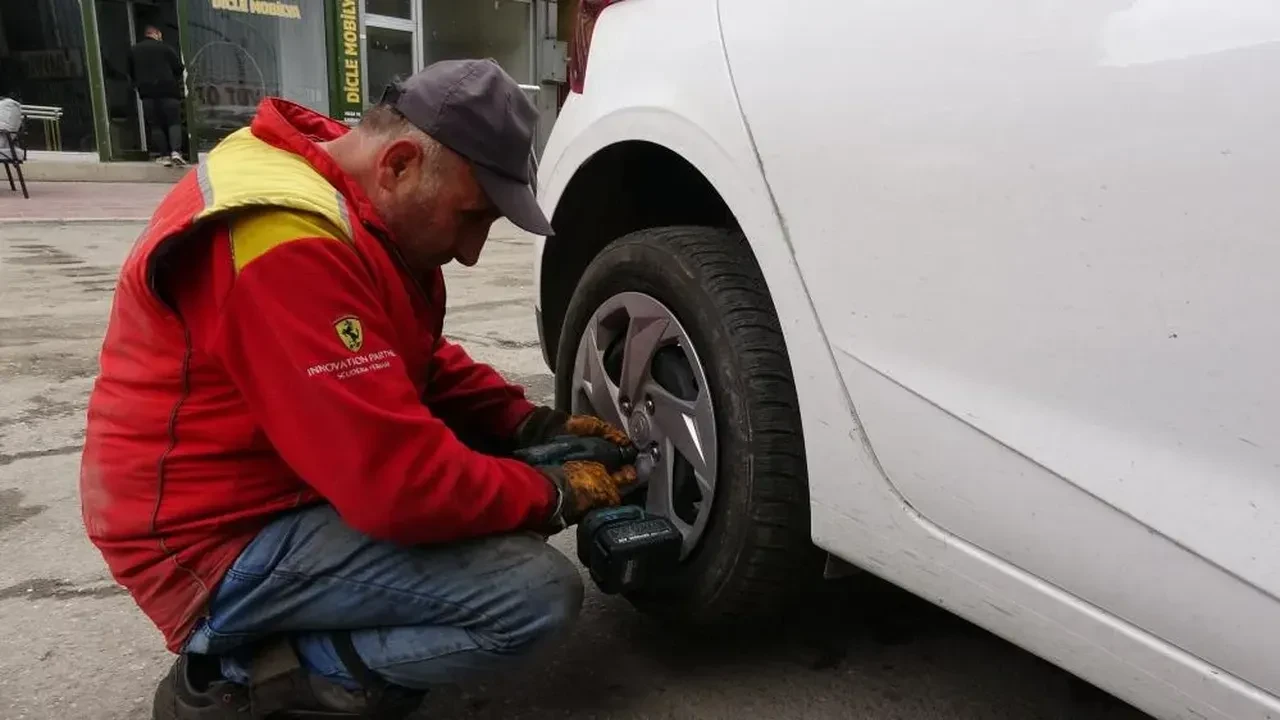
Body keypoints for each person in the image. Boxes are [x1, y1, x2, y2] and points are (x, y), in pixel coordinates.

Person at [80, 58, 638, 720]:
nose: (471, 253)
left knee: (490, 483)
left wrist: (527, 427)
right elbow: (397, 484)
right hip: (210, 540)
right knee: (529, 593)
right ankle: (247, 676)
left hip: (270, 479)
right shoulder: (283, 243)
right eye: (472, 216)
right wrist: (550, 493)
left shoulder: (335, 187)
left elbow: (407, 359)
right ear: (399, 164)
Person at [128, 24, 186, 167]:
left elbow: (130, 72)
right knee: (173, 122)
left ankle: (164, 155)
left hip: (147, 94)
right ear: (157, 34)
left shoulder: (134, 50)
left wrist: (138, 85)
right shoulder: (165, 48)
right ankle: (176, 152)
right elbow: (179, 68)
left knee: (155, 125)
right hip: (168, 92)